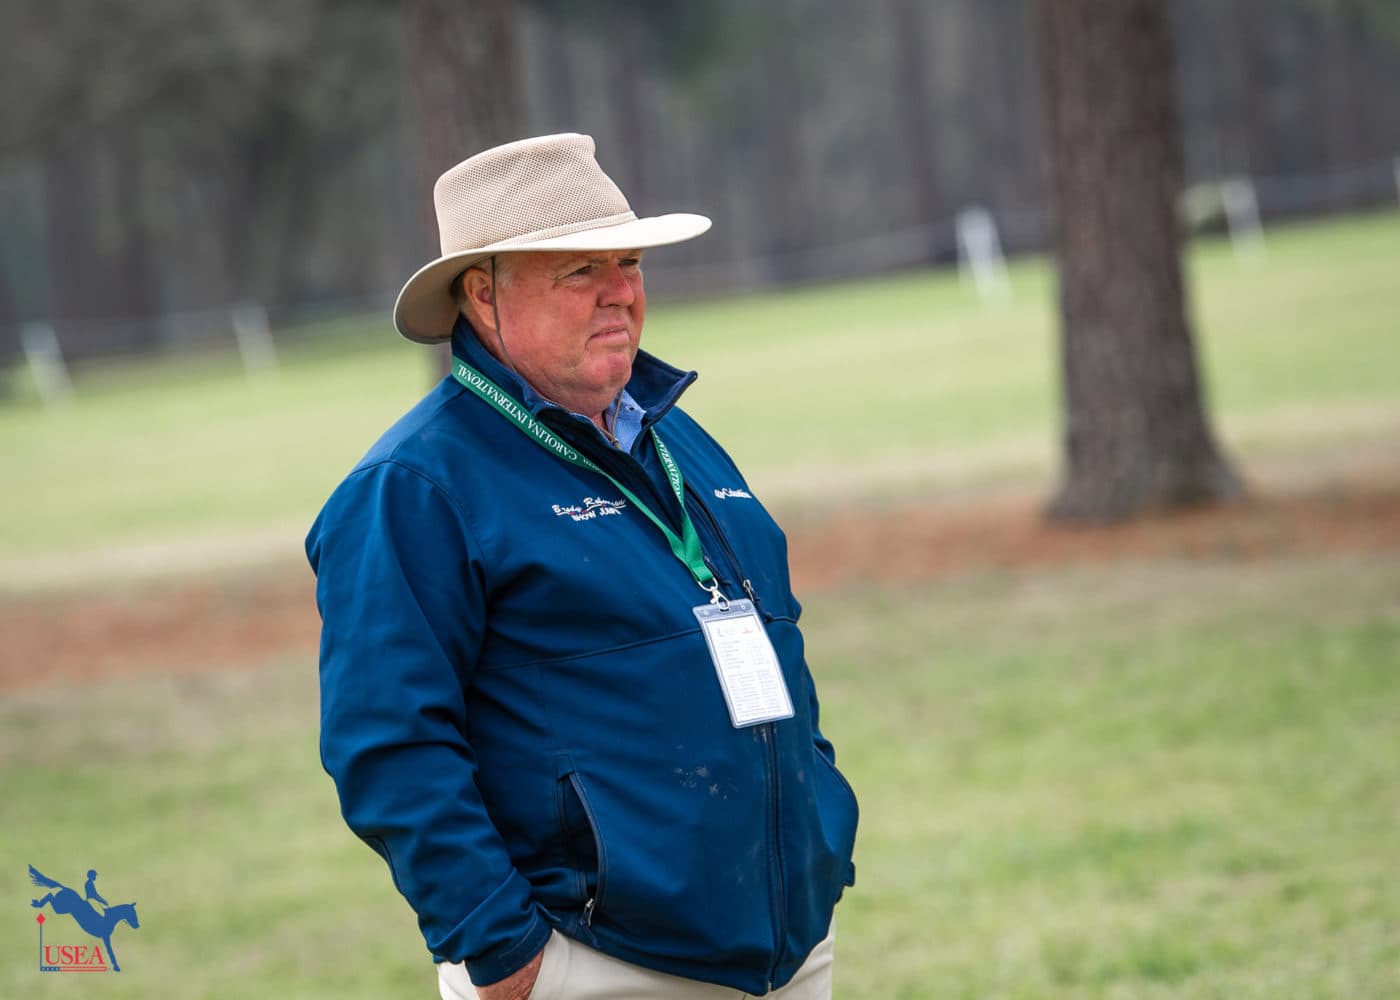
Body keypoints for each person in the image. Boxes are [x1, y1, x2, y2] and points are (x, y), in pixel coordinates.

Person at [307, 133, 858, 1000]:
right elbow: (387, 744)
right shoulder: (413, 488)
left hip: (786, 949)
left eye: (629, 261)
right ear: (482, 296)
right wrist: (503, 952)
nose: (620, 293)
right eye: (577, 271)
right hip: (597, 965)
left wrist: (821, 815)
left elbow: (774, 641)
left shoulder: (678, 439)